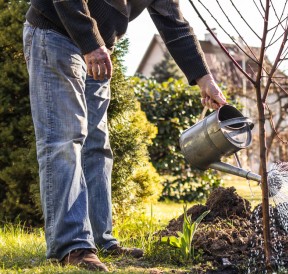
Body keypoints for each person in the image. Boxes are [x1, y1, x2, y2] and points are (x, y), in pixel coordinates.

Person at [23, 0, 227, 271]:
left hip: (98, 48)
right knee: (65, 140)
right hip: (57, 33)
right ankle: (72, 245)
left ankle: (101, 239)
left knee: (97, 146)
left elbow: (174, 24)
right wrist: (90, 43)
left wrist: (205, 79)